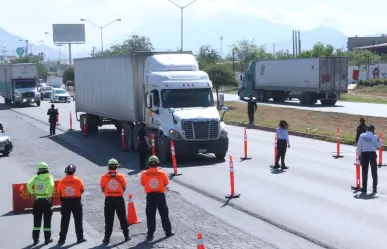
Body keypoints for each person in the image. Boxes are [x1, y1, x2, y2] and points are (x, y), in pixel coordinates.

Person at [140, 156, 174, 240]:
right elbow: (165, 183)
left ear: (149, 164)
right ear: (158, 163)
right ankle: (168, 232)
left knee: (150, 215)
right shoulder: (162, 173)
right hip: (160, 196)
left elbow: (143, 183)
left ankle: (150, 234)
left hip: (150, 197)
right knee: (164, 214)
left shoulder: (144, 173)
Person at [100, 158, 130, 244]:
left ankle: (106, 239)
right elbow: (124, 187)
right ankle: (126, 236)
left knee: (108, 219)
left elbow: (102, 188)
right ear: (117, 167)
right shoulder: (121, 176)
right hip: (119, 199)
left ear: (108, 167)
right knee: (122, 218)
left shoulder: (104, 177)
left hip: (109, 200)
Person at [57, 164, 87, 245]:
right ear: (74, 171)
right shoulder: (78, 180)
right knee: (78, 221)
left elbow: (59, 191)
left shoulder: (61, 181)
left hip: (65, 202)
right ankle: (80, 238)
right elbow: (82, 190)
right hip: (76, 201)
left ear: (66, 171)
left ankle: (61, 240)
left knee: (64, 221)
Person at [26, 162, 55, 245]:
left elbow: (28, 185)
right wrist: (49, 195)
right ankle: (47, 239)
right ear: (47, 169)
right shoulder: (49, 177)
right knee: (47, 220)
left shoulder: (36, 177)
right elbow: (51, 186)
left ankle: (35, 239)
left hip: (37, 201)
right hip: (46, 201)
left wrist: (33, 193)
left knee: (36, 221)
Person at [357, 125, 382, 193]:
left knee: (364, 171)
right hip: (372, 155)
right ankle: (374, 187)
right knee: (374, 171)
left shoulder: (362, 136)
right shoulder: (374, 136)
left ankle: (364, 187)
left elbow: (359, 146)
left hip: (364, 154)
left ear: (367, 129)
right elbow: (379, 146)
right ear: (373, 130)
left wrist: (359, 155)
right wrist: (379, 140)